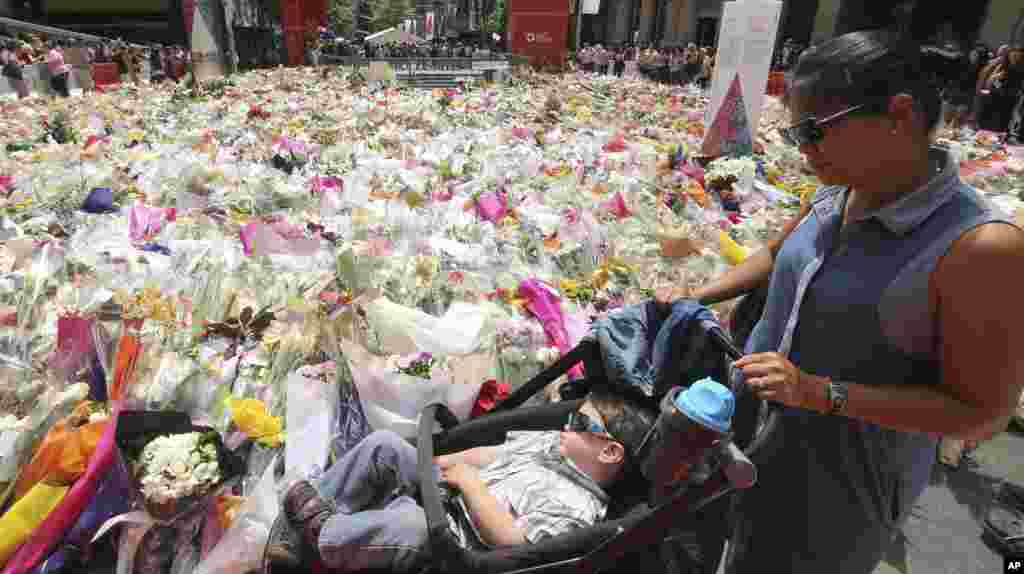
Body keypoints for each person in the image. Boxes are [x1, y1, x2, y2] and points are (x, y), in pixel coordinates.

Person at [672, 29, 1024, 574]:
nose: (801, 149)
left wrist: (818, 392)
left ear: (899, 115)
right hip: (744, 438)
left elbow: (983, 412)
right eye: (794, 133)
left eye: (813, 131)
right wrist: (693, 296)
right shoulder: (838, 191)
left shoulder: (979, 245)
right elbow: (774, 253)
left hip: (839, 488)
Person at [267, 391, 656, 572]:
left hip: (450, 541)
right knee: (386, 446)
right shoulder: (553, 447)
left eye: (580, 423)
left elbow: (512, 540)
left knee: (411, 527)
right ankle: (303, 523)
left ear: (609, 452)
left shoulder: (576, 506)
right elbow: (490, 455)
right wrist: (442, 461)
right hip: (444, 490)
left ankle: (324, 537)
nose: (567, 425)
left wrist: (471, 485)